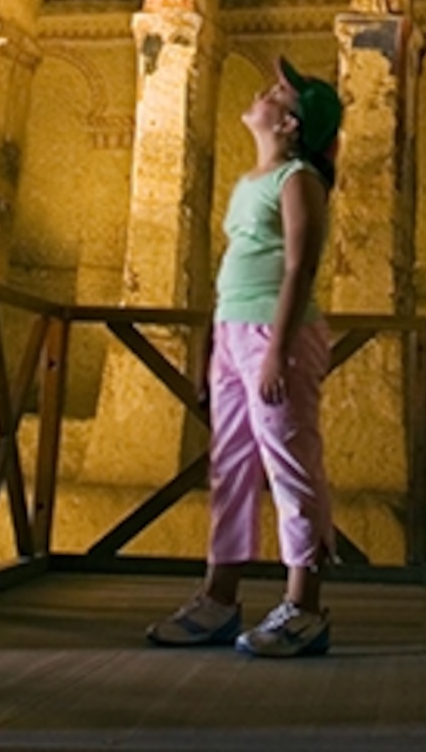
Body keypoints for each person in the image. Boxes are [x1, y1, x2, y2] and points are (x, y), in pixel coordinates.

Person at [147, 57, 340, 659]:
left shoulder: (298, 178)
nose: (264, 91)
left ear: (290, 125)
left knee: (289, 463)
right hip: (235, 333)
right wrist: (211, 339)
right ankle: (219, 598)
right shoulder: (250, 181)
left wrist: (277, 351)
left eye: (279, 92)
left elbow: (299, 266)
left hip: (274, 335)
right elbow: (234, 268)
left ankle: (305, 607)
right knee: (229, 465)